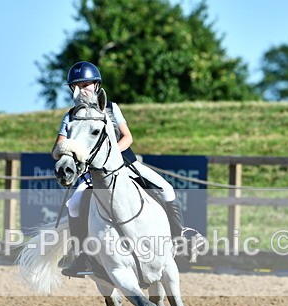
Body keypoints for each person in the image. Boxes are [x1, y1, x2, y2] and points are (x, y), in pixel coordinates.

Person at [52, 61, 196, 277]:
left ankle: (180, 236)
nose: (82, 89)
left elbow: (127, 137)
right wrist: (66, 154)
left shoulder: (111, 108)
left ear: (96, 85)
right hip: (91, 171)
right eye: (77, 85)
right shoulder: (70, 115)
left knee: (166, 188)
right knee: (74, 204)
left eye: (86, 84)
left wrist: (112, 156)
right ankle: (82, 255)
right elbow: (60, 145)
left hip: (125, 163)